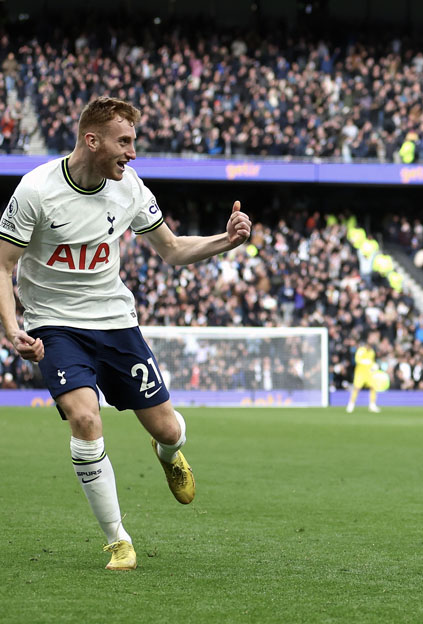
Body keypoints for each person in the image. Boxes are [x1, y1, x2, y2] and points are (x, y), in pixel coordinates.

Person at [0, 97, 252, 570]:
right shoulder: (36, 190)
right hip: (54, 324)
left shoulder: (130, 187)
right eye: (125, 142)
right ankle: (118, 539)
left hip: (116, 322)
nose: (132, 153)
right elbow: (3, 264)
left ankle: (169, 452)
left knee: (168, 428)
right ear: (92, 141)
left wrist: (226, 240)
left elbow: (173, 250)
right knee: (85, 421)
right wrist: (12, 328)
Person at [347, 331, 381, 413]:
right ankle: (351, 404)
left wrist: (374, 366)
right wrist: (368, 362)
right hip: (360, 373)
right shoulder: (361, 350)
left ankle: (372, 405)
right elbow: (357, 360)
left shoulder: (372, 352)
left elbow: (372, 362)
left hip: (369, 373)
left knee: (373, 387)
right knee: (357, 388)